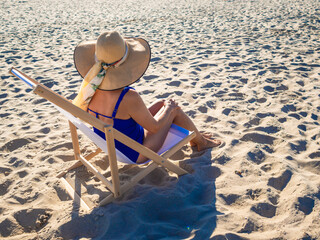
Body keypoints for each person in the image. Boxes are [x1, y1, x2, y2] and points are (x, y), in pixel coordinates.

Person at [73, 31, 221, 164]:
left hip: (112, 145)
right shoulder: (129, 96)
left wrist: (165, 106)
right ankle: (201, 141)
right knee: (173, 109)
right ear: (125, 63)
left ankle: (197, 136)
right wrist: (170, 109)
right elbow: (154, 128)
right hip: (137, 152)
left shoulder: (90, 89)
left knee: (161, 103)